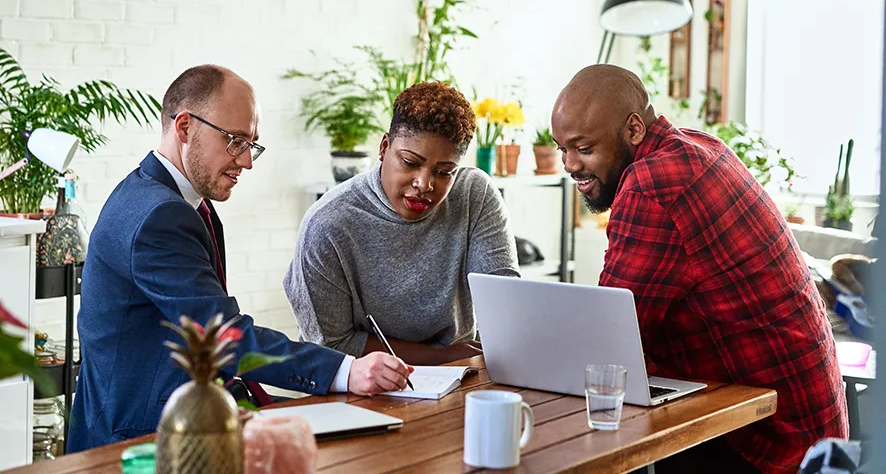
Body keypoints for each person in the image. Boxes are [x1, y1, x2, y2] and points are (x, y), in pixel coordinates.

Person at [69, 65, 412, 452]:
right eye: (234, 141)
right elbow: (224, 335)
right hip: (141, 438)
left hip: (185, 410)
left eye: (252, 144)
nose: (247, 161)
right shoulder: (159, 216)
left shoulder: (163, 197)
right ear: (184, 127)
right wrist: (346, 370)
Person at [551, 65, 848, 473]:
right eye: (561, 149)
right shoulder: (701, 145)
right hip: (813, 428)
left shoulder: (652, 183)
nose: (569, 164)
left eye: (583, 148)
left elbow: (608, 339)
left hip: (767, 440)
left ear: (634, 129)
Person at [284, 81, 519, 366]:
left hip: (459, 374)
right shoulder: (327, 224)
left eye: (444, 172)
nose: (424, 184)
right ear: (384, 148)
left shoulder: (473, 194)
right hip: (360, 381)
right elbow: (331, 345)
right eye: (409, 162)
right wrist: (441, 357)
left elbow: (504, 302)